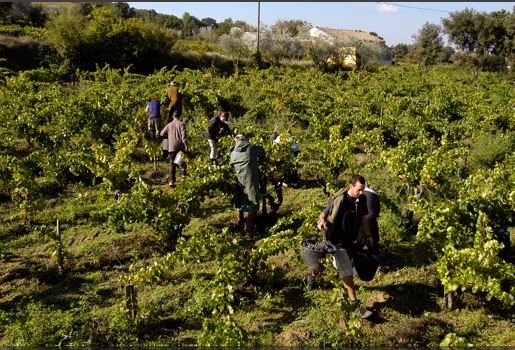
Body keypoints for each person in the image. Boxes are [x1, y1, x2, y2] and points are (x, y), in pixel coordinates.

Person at [308, 175, 374, 318]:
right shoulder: (340, 199)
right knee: (335, 270)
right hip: (333, 240)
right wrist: (321, 223)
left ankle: (311, 279)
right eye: (359, 190)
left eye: (363, 190)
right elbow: (323, 214)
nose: (361, 193)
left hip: (347, 242)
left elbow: (363, 219)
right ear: (351, 186)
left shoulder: (361, 200)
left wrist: (368, 237)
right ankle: (355, 306)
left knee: (345, 271)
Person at [229, 134, 265, 234]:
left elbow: (231, 165)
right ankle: (248, 228)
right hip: (250, 178)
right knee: (254, 202)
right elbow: (262, 152)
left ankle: (240, 220)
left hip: (238, 178)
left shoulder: (232, 152)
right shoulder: (251, 148)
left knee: (239, 198)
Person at [160, 110, 188, 187]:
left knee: (172, 164)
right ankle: (184, 176)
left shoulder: (169, 125)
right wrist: (186, 146)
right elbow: (184, 136)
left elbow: (161, 133)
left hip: (171, 147)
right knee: (181, 162)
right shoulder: (182, 124)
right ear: (180, 116)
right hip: (180, 147)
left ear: (173, 116)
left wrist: (168, 137)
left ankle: (172, 181)